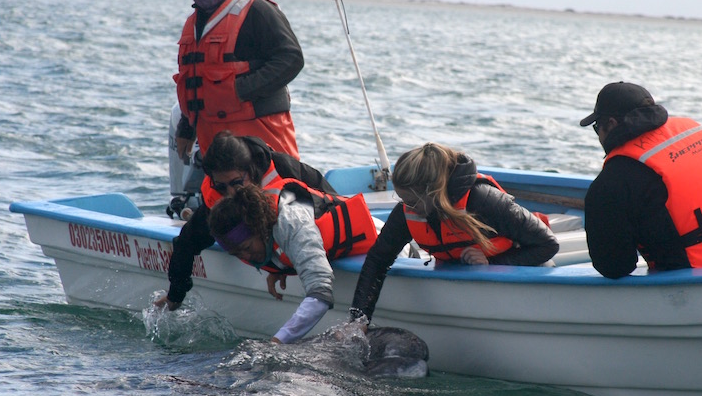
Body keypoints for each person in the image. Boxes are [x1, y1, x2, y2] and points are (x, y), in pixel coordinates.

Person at [579, 81, 702, 279]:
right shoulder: (695, 130)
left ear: (611, 124)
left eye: (597, 128)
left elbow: (614, 267)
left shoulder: (612, 181)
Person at [349, 143, 559, 325]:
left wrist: (493, 264)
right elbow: (378, 260)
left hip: (526, 278)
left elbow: (548, 245)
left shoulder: (484, 200)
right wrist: (359, 320)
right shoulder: (408, 211)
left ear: (433, 193)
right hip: (472, 287)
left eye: (411, 201)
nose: (407, 207)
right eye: (403, 200)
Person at [155, 131, 336, 311]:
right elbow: (187, 242)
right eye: (220, 186)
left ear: (250, 170)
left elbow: (332, 207)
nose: (231, 193)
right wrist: (175, 296)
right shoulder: (217, 200)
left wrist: (284, 265)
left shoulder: (284, 169)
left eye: (236, 183)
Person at [174, 0, 304, 160]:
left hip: (259, 136)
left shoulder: (258, 11)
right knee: (218, 192)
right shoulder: (193, 24)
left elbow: (291, 59)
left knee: (270, 191)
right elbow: (193, 82)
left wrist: (239, 90)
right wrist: (186, 128)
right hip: (213, 141)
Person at [208, 181, 378, 344]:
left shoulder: (291, 223)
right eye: (237, 253)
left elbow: (321, 296)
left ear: (258, 228)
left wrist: (278, 341)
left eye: (247, 247)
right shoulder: (266, 228)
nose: (246, 256)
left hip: (377, 248)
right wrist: (279, 267)